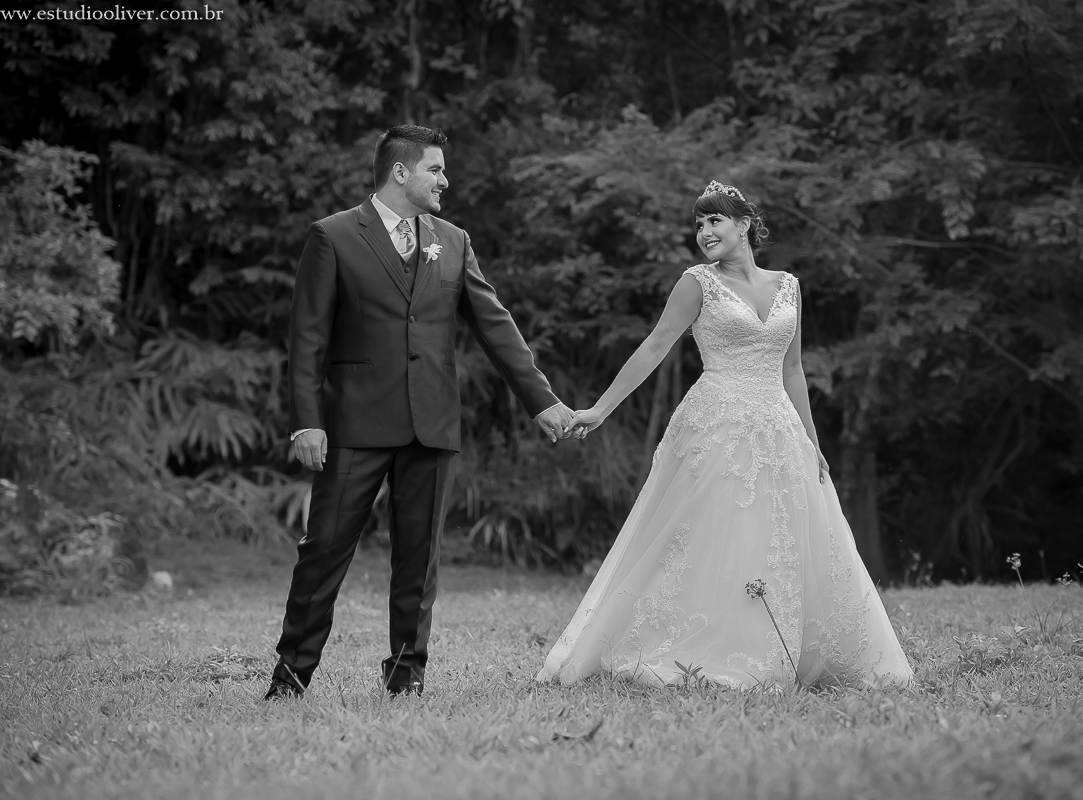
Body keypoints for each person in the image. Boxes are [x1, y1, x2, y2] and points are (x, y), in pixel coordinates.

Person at [538, 181, 913, 689]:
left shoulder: (788, 286)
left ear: (744, 225)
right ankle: (709, 648)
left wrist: (813, 440)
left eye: (714, 220)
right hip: (716, 424)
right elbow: (655, 347)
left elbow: (794, 369)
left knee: (783, 536)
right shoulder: (697, 283)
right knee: (712, 535)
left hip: (779, 426)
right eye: (698, 224)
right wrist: (600, 410)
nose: (704, 232)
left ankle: (793, 650)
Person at [265, 125, 578, 700]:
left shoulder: (452, 240)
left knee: (419, 560)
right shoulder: (333, 236)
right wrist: (308, 420)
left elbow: (495, 326)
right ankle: (290, 677)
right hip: (354, 423)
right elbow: (306, 338)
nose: (445, 180)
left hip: (431, 423)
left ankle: (406, 677)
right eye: (435, 169)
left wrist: (544, 401)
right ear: (401, 172)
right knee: (324, 550)